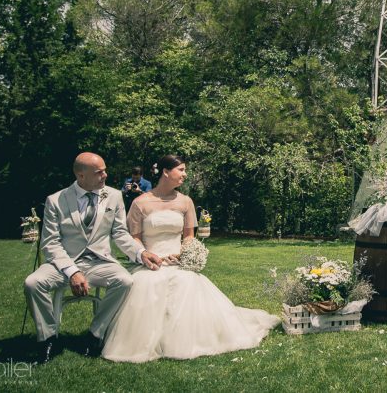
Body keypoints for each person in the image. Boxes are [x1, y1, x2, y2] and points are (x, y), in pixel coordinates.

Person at [102, 154, 280, 362]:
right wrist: (148, 256)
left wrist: (181, 254)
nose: (185, 174)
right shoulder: (141, 203)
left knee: (186, 281)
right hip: (151, 261)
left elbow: (188, 236)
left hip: (177, 261)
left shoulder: (185, 201)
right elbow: (134, 238)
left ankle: (186, 339)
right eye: (182, 170)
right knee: (147, 284)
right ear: (166, 172)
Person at [24, 152, 162, 362]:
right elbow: (50, 243)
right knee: (32, 283)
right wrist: (73, 271)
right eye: (99, 172)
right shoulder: (55, 200)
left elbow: (120, 233)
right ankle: (48, 338)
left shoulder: (114, 196)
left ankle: (95, 334)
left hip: (99, 261)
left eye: (105, 170)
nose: (105, 175)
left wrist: (140, 252)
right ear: (81, 176)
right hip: (64, 264)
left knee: (124, 281)